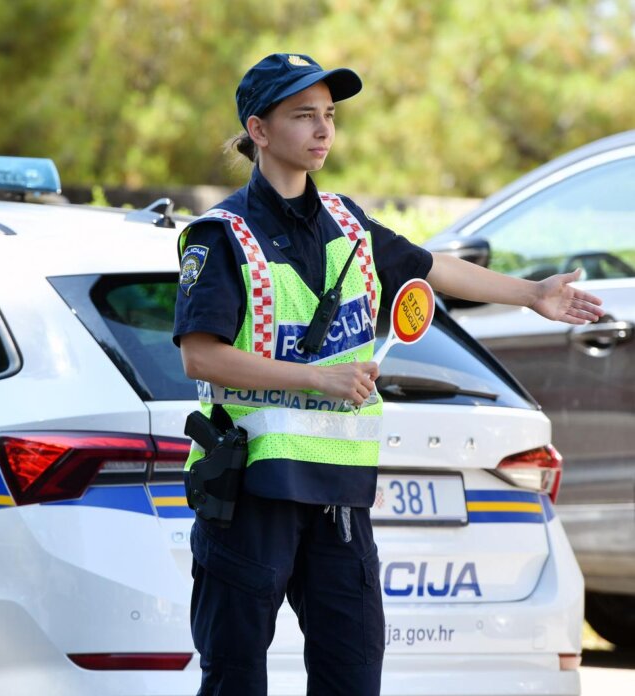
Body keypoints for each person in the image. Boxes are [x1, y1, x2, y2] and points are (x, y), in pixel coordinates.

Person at [173, 52, 604, 696]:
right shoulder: (221, 235)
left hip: (340, 502)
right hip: (250, 493)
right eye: (303, 116)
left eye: (329, 116)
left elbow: (433, 268)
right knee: (234, 678)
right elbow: (199, 357)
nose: (323, 130)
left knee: (352, 678)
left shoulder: (349, 222)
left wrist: (532, 294)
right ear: (258, 130)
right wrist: (319, 378)